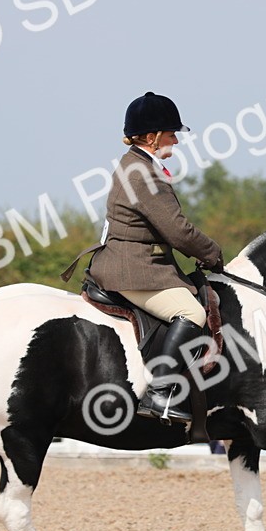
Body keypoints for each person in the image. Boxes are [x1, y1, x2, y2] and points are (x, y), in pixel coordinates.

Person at [87, 92, 225, 424]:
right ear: (151, 137)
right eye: (171, 133)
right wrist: (212, 254)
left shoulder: (135, 164)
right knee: (190, 310)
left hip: (133, 262)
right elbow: (177, 229)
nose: (176, 140)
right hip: (134, 269)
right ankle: (159, 392)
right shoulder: (143, 174)